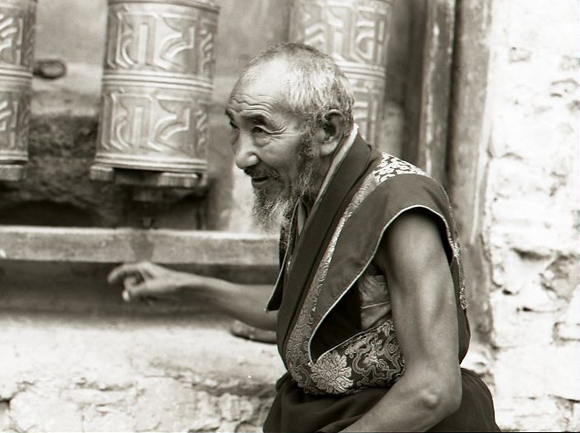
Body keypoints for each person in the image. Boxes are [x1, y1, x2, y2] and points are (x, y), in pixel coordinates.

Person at [108, 42, 500, 432]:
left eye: (260, 130)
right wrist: (189, 287)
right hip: (320, 413)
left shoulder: (399, 208)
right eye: (236, 128)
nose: (241, 155)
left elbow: (433, 388)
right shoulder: (308, 190)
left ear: (327, 130)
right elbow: (305, 318)